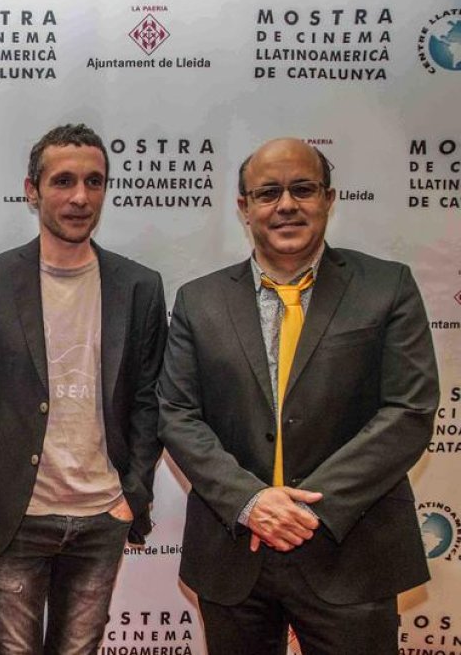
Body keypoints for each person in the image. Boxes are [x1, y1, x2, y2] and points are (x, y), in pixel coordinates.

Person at [157, 138, 439, 655]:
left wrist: (302, 510)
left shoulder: (387, 287)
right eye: (267, 193)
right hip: (234, 551)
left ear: (329, 198)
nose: (286, 205)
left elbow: (409, 412)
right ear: (244, 208)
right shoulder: (198, 301)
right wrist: (250, 501)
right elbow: (177, 415)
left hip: (351, 551)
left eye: (302, 189)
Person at [0, 123, 168, 655]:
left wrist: (131, 495)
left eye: (94, 182)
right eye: (63, 181)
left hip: (102, 518)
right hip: (17, 517)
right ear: (32, 190)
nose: (79, 197)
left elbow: (150, 402)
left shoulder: (139, 286)